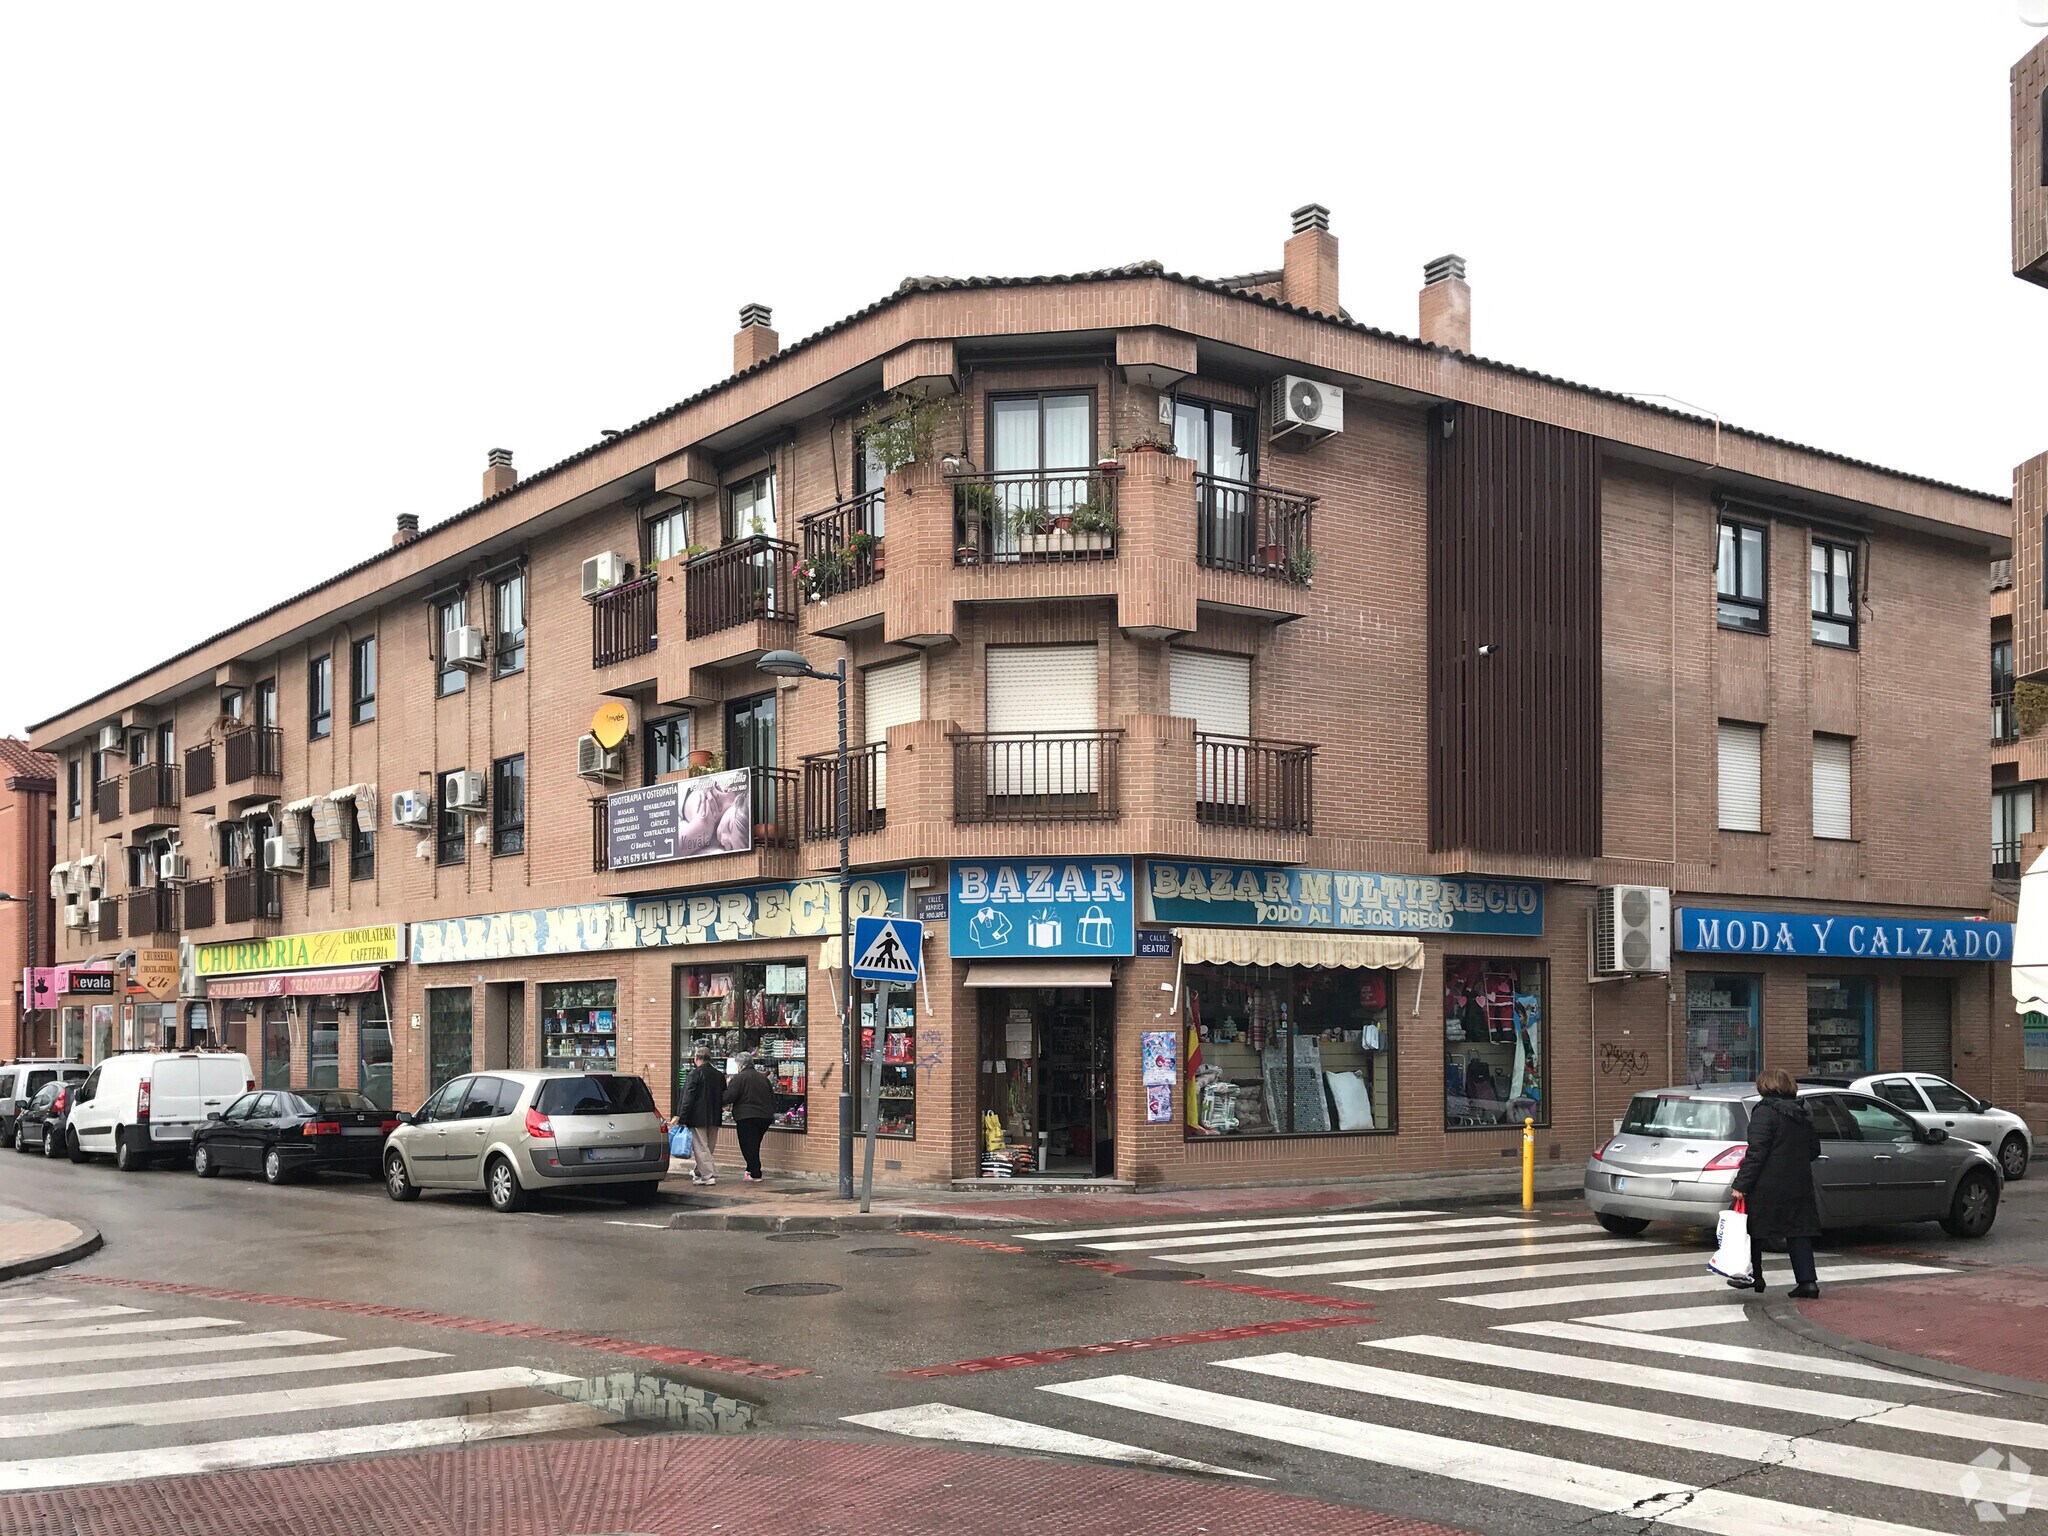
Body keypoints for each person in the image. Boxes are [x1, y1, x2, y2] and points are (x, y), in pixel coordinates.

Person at [1729, 1066, 1823, 1298]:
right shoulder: (1803, 1113)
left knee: (1751, 1230)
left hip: (1767, 1184)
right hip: (1799, 1183)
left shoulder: (1764, 1113)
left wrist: (1741, 1184)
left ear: (1764, 1086)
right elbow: (1814, 1149)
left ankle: (1753, 1275)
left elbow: (1756, 1152)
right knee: (1798, 1232)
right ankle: (1807, 1282)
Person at [676, 1043, 726, 1186]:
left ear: (696, 1058)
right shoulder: (719, 1075)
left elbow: (688, 1098)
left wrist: (682, 1117)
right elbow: (724, 1095)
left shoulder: (694, 1074)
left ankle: (708, 1175)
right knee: (709, 1147)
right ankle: (700, 1171)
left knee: (701, 1146)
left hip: (697, 1116)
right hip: (715, 1116)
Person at [724, 1050, 777, 1182]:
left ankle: (756, 1172)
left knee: (747, 1144)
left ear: (741, 1065)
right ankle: (750, 1169)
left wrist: (717, 1097)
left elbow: (729, 1096)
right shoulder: (763, 1078)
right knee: (754, 1144)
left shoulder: (739, 1078)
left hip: (746, 1116)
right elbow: (772, 1097)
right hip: (764, 1116)